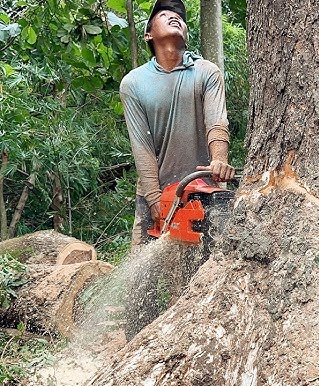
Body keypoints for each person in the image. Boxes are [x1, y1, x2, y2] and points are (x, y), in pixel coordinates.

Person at [119, 0, 234, 339]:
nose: (175, 17)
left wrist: (219, 158)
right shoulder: (134, 83)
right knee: (140, 285)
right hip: (155, 191)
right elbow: (141, 147)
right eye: (163, 14)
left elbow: (217, 122)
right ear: (149, 32)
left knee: (206, 274)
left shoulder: (206, 72)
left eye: (181, 17)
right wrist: (155, 199)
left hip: (203, 190)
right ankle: (134, 347)